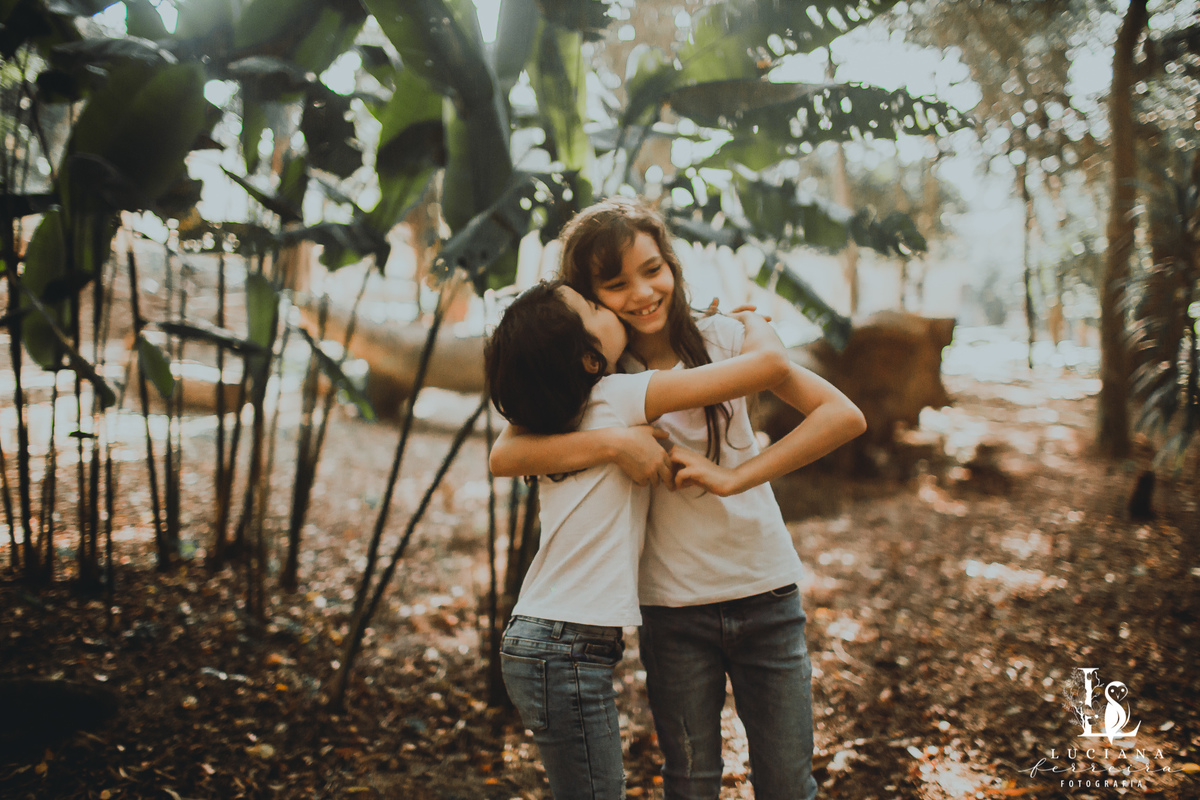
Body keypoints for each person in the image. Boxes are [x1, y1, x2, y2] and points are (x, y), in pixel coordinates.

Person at [490, 197, 867, 800]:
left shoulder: (725, 338)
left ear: (672, 265)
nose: (641, 292)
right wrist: (615, 443)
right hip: (673, 609)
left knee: (788, 782)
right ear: (586, 301)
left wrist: (736, 477)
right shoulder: (593, 380)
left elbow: (842, 416)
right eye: (612, 285)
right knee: (691, 781)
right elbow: (506, 454)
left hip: (764, 591)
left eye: (653, 269)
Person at [485, 278, 794, 800]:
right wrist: (752, 324)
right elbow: (768, 369)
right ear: (588, 360)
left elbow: (502, 455)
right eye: (593, 304)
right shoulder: (620, 394)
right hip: (562, 646)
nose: (609, 304)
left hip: (548, 641)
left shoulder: (555, 414)